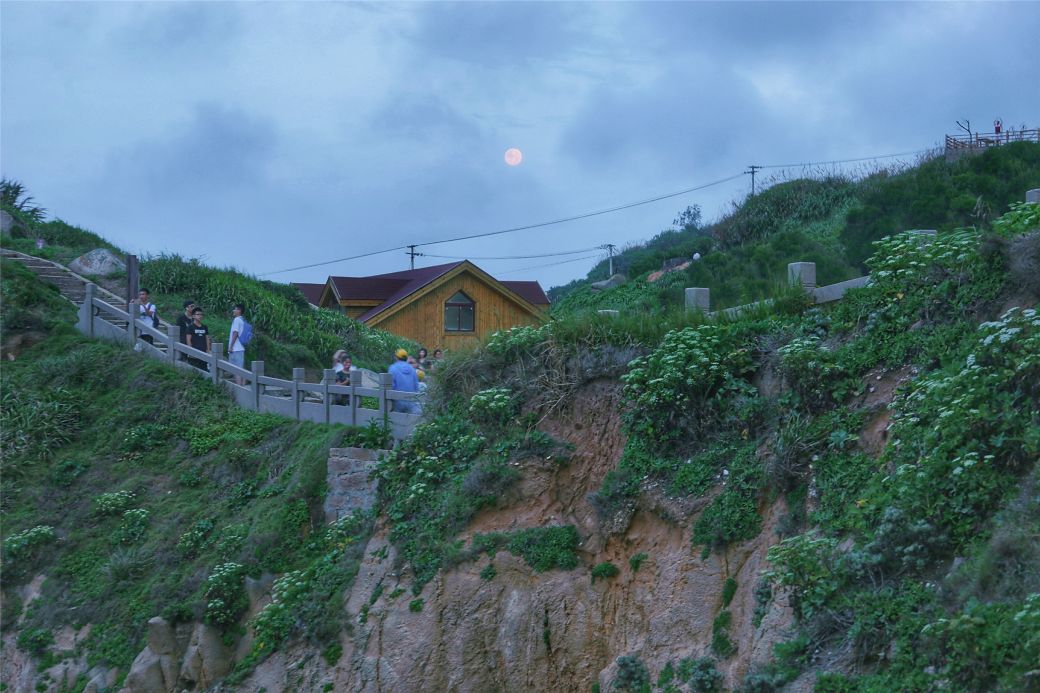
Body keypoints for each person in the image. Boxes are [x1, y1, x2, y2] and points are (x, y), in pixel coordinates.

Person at [388, 348, 419, 413]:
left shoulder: (392, 368)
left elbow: (391, 386)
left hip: (397, 401)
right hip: (411, 401)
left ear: (396, 357)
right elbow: (416, 386)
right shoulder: (412, 369)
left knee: (396, 421)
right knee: (409, 422)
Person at [228, 304, 247, 384]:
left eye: (235, 309)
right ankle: (242, 387)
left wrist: (231, 346)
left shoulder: (236, 320)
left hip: (236, 349)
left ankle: (240, 389)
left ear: (239, 311)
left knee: (237, 371)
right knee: (239, 370)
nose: (234, 311)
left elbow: (235, 333)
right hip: (240, 348)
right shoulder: (242, 320)